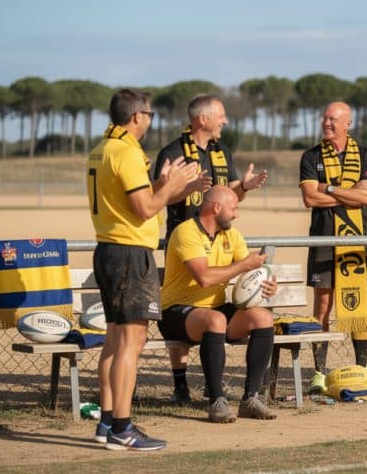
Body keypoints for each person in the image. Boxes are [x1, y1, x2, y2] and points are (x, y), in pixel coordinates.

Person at [87, 88, 197, 451]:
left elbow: (137, 198)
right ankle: (122, 427)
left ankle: (107, 422)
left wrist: (168, 186)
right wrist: (171, 188)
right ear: (136, 117)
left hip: (109, 251)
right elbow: (146, 209)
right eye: (149, 114)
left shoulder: (103, 148)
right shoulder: (127, 153)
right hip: (130, 255)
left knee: (117, 340)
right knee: (131, 342)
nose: (151, 120)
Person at [155, 94, 269, 405]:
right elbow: (156, 197)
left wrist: (243, 188)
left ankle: (242, 395)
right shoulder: (173, 152)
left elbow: (226, 197)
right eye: (221, 115)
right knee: (188, 296)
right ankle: (181, 384)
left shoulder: (221, 151)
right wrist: (185, 190)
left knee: (220, 311)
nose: (225, 121)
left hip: (217, 234)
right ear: (202, 119)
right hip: (186, 236)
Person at [159, 186, 277, 423]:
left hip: (215, 310)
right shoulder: (186, 232)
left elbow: (253, 270)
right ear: (216, 207)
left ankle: (251, 399)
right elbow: (204, 278)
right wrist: (244, 266)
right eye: (234, 208)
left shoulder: (231, 235)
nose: (237, 215)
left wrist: (268, 284)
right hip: (175, 311)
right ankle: (217, 401)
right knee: (216, 320)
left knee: (263, 317)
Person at [299, 101, 367, 394]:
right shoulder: (311, 156)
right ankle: (319, 371)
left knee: (360, 302)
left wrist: (329, 188)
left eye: (332, 119)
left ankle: (363, 365)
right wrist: (350, 194)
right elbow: (309, 198)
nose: (326, 122)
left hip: (357, 239)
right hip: (323, 239)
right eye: (324, 118)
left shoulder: (366, 155)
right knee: (322, 304)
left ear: (349, 123)